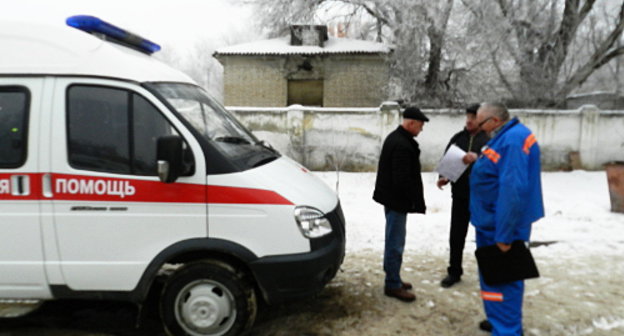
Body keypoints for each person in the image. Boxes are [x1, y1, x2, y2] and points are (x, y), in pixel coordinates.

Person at [470, 102, 544, 335]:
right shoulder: (510, 135)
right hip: (494, 221)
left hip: (500, 226)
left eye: (480, 123)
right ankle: (499, 320)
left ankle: (506, 329)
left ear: (494, 121)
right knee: (497, 278)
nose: (478, 128)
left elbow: (512, 190)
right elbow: (498, 169)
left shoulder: (511, 141)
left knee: (502, 280)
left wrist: (504, 236)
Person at [373, 106, 428, 302]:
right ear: (411, 123)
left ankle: (393, 278)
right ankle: (393, 284)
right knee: (395, 243)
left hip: (393, 200)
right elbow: (401, 179)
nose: (421, 130)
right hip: (397, 202)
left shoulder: (397, 138)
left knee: (394, 240)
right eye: (420, 126)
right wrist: (412, 199)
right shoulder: (402, 144)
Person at [437, 103, 489, 288]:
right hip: (460, 194)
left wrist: (476, 159)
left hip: (483, 197)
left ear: (481, 119)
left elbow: (495, 165)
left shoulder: (489, 140)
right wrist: (444, 177)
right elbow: (447, 161)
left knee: (484, 235)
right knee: (457, 234)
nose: (468, 120)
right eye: (467, 116)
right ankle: (454, 271)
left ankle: (488, 272)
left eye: (473, 117)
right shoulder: (458, 138)